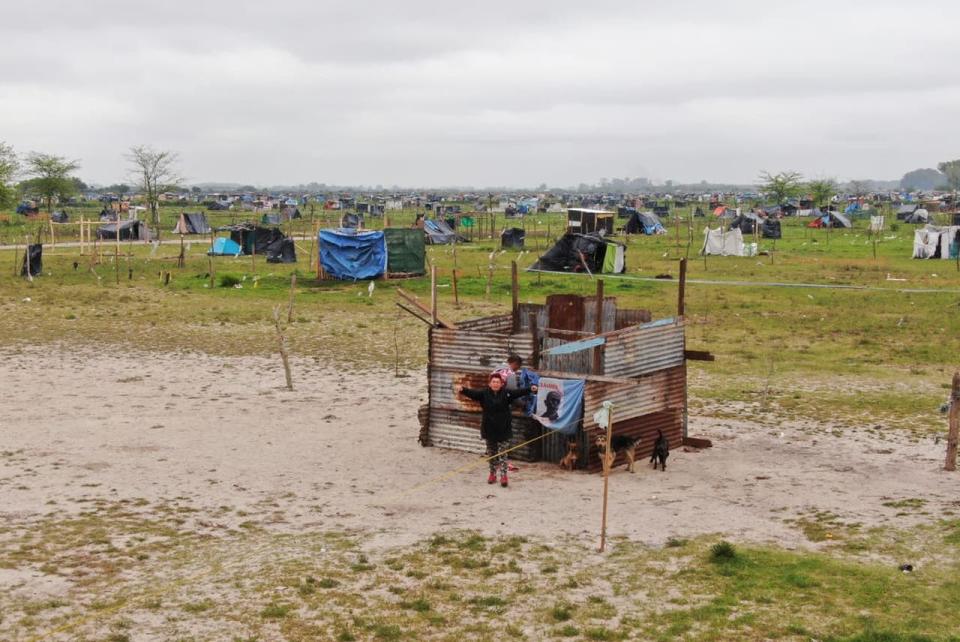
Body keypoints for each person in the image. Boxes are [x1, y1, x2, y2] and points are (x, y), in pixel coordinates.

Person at [455, 375, 537, 487]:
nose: (495, 384)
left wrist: (529, 389)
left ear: (501, 384)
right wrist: (463, 389)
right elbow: (473, 393)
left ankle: (504, 476)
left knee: (503, 454)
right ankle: (492, 474)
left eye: (498, 382)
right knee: (492, 454)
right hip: (489, 429)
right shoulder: (484, 393)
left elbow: (518, 392)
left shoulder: (506, 393)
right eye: (493, 382)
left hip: (504, 429)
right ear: (490, 383)